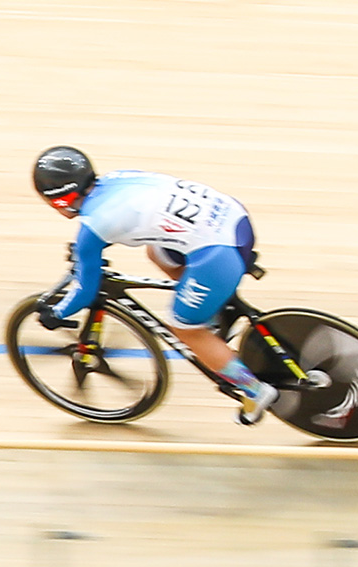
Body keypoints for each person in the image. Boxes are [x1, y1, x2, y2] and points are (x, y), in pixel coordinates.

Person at [30, 145, 278, 424]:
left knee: (185, 328)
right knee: (157, 250)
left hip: (217, 255)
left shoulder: (93, 227)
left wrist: (56, 313)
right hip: (233, 218)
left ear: (59, 201)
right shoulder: (117, 178)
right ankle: (215, 308)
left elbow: (86, 291)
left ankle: (254, 391)